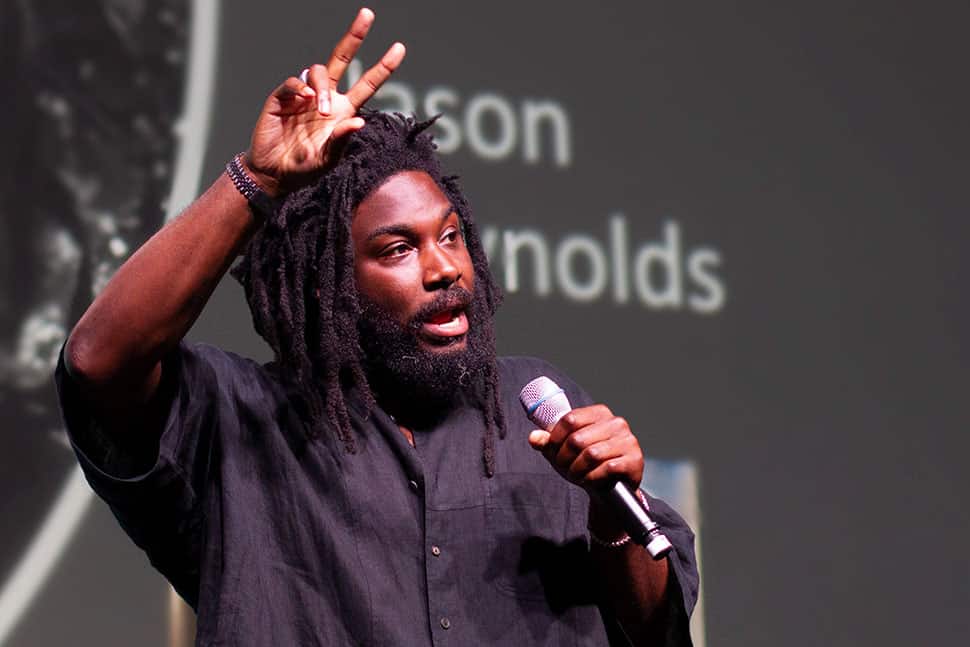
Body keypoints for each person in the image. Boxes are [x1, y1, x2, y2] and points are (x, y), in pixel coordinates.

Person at [56, 8, 698, 646]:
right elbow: (98, 362)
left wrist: (611, 515)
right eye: (399, 249)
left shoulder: (538, 406)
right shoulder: (239, 422)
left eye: (451, 236)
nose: (446, 267)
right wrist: (258, 180)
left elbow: (655, 626)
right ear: (327, 283)